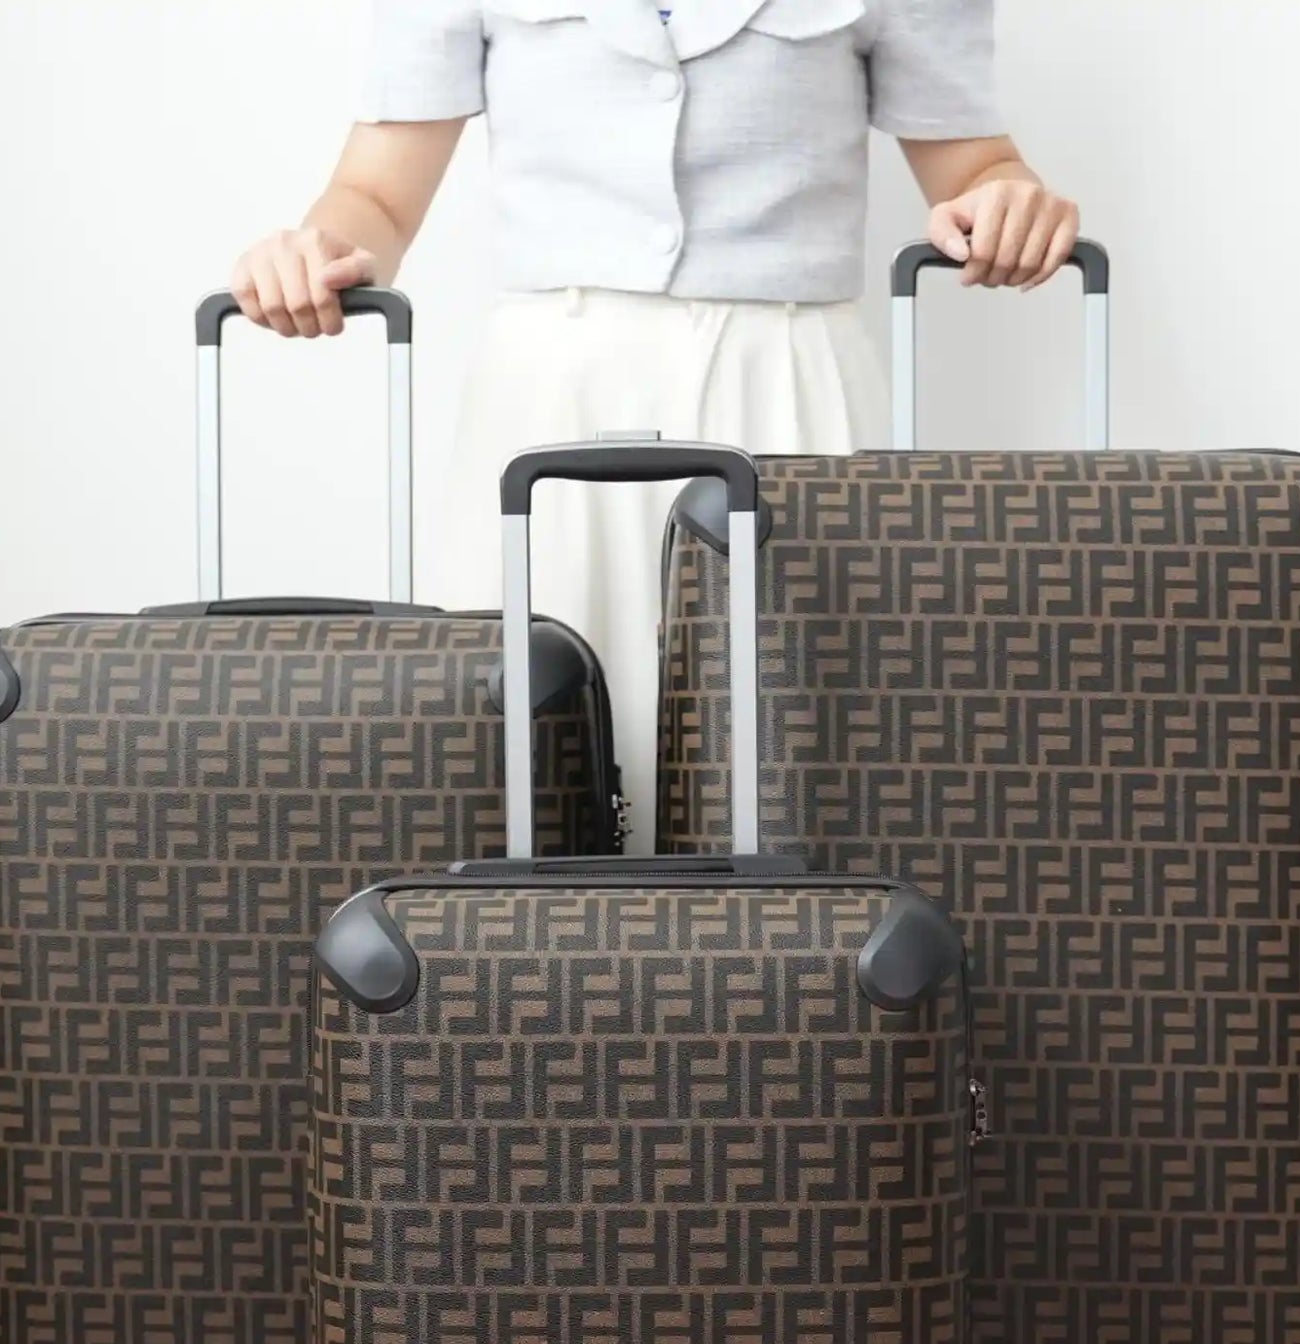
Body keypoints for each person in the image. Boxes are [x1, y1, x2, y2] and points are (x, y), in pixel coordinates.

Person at [232, 1, 1077, 846]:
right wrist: (317, 250)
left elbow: (975, 162)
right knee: (521, 740)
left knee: (804, 751)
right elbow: (376, 193)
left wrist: (1007, 203)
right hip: (553, 395)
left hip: (789, 384)